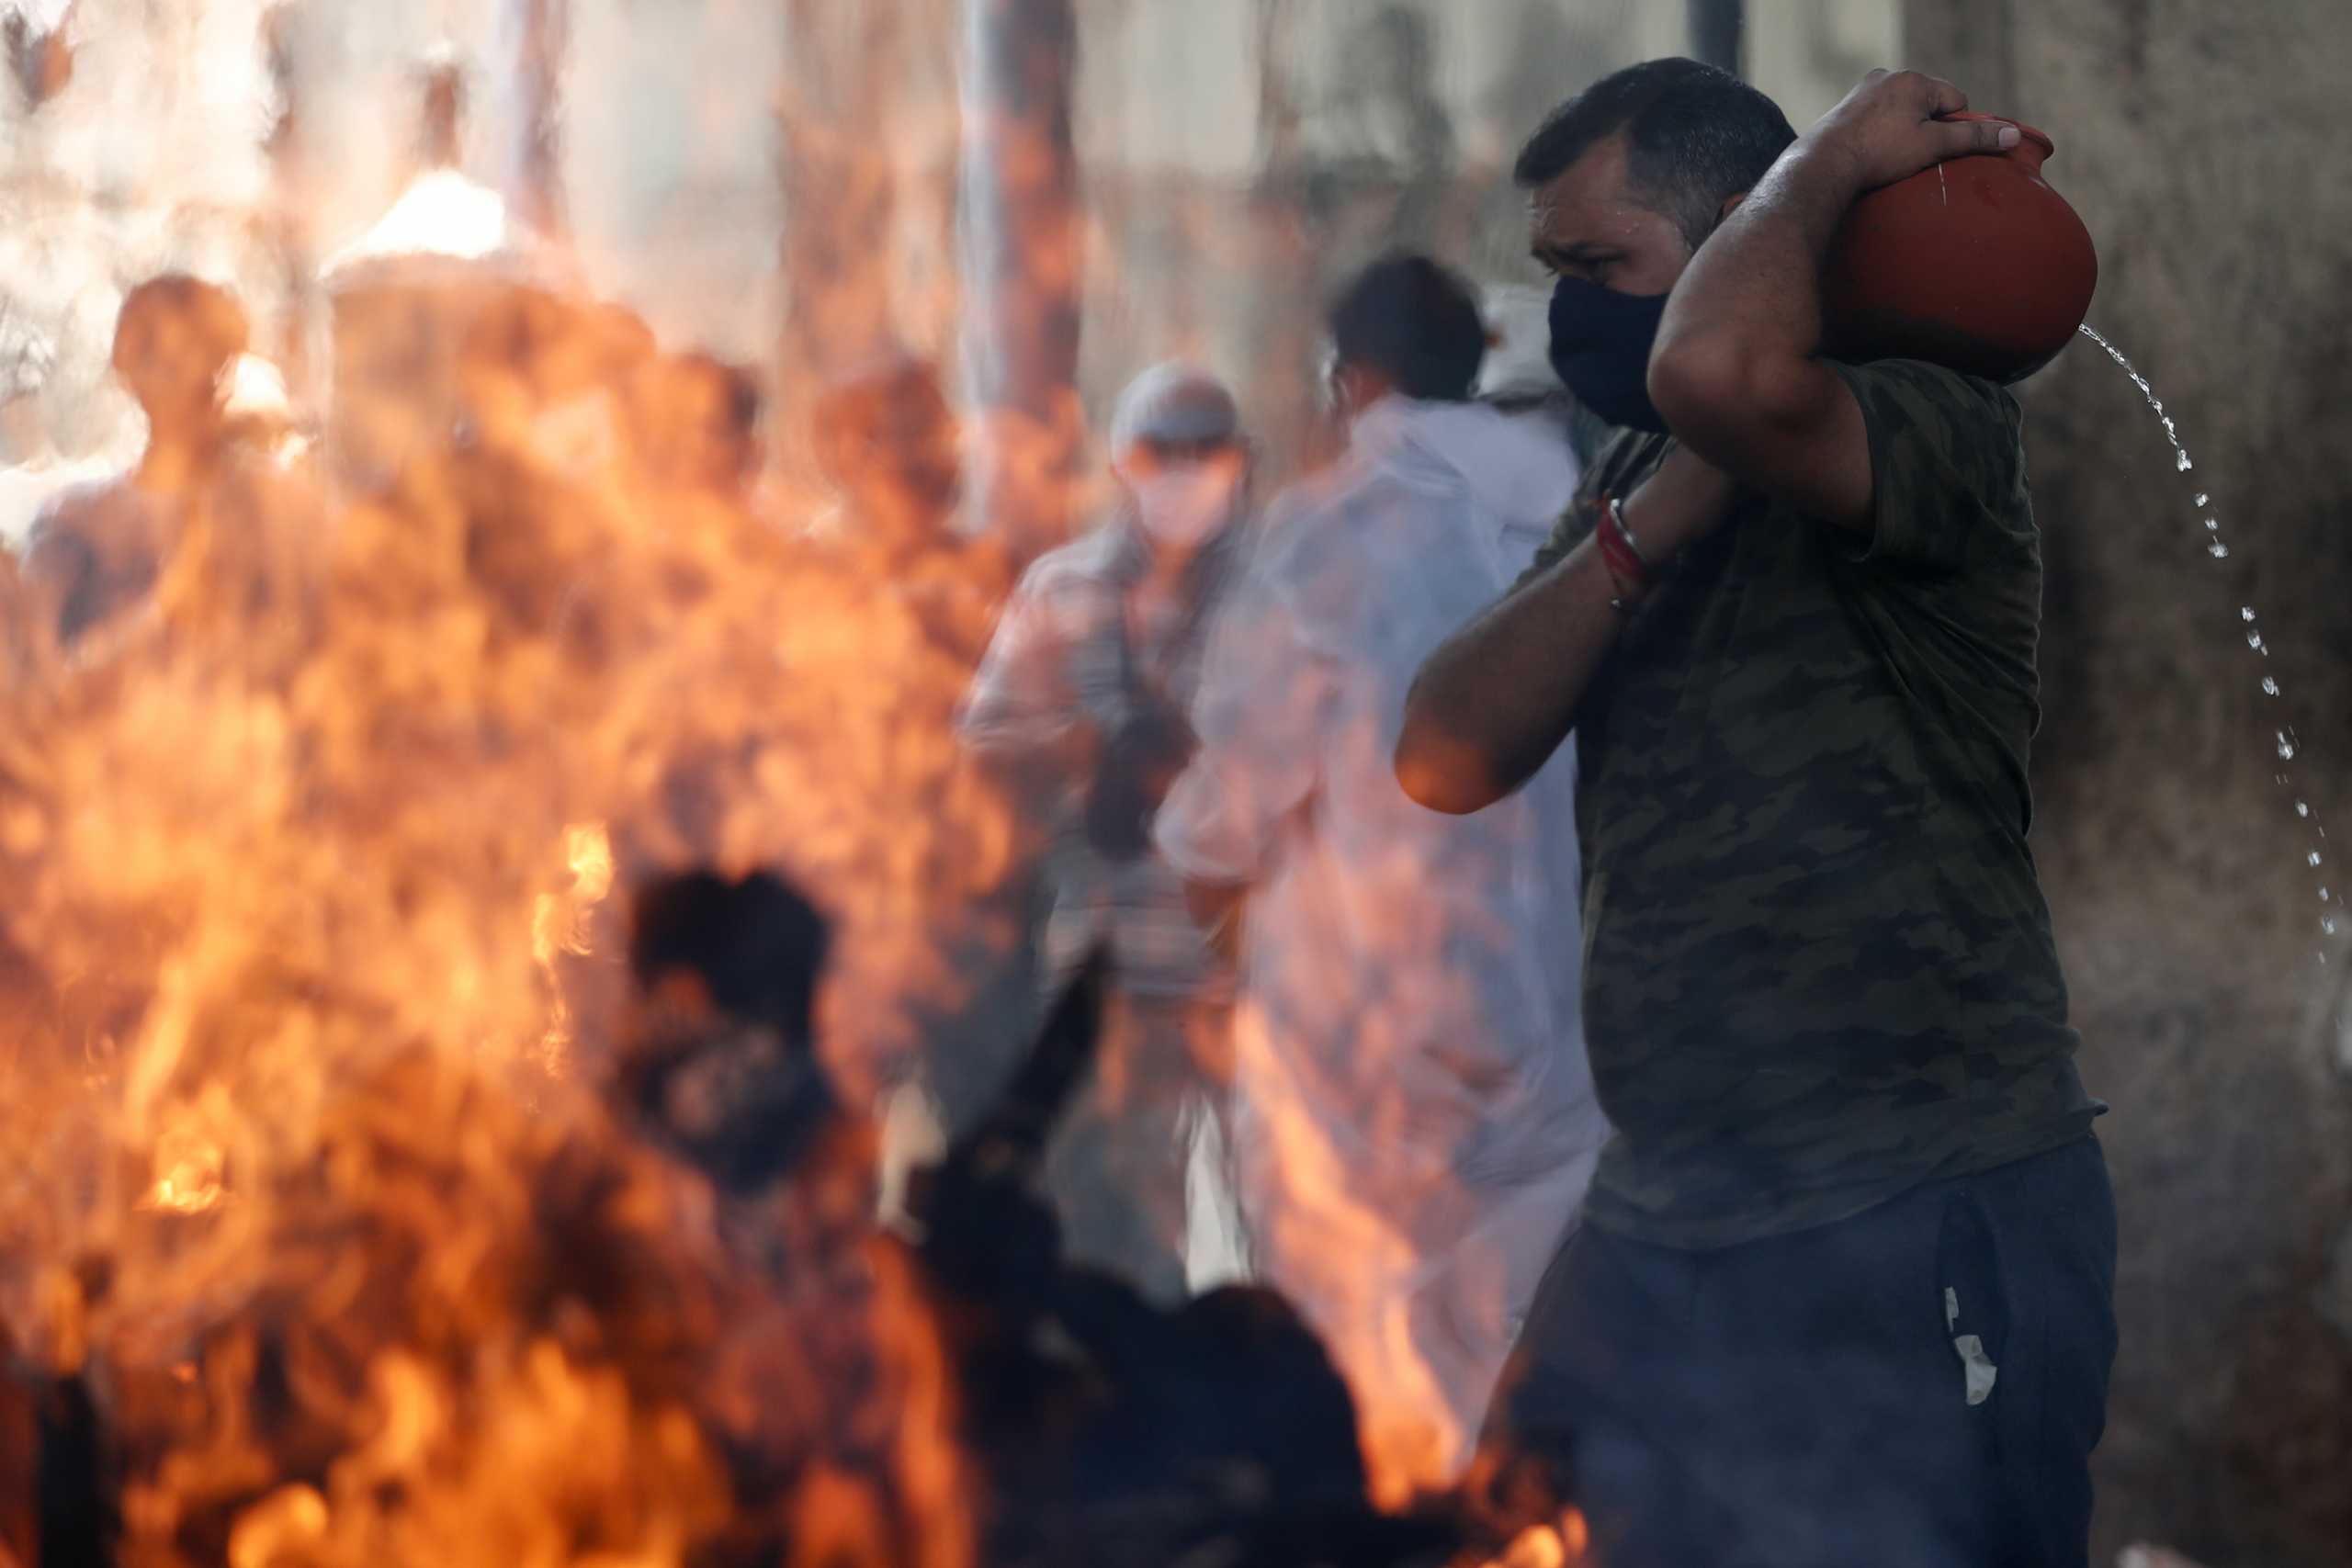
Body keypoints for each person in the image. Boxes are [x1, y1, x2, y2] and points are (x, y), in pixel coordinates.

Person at [1395, 61, 2115, 1568]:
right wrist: (1651, 520)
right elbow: (1445, 750)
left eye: (1598, 266)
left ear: (1741, 234)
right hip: (1667, 1217)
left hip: (1912, 1204)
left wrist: (1839, 155)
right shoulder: (1646, 469)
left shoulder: (1931, 427)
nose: (1566, 314)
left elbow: (1721, 373)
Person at [1154, 254, 1608, 1481]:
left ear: (1351, 380)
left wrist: (1201, 912)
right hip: (1549, 1041)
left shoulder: (1329, 530)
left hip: (1358, 1063)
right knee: (1497, 1411)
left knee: (1346, 1410)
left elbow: (1227, 812)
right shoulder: (1581, 522)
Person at [956, 364, 1251, 1304]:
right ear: (1122, 461)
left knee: (1274, 1229)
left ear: (1241, 462)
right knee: (1114, 1235)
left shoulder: (1281, 592)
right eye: (1164, 449)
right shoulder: (1062, 588)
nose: (1187, 469)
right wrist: (1082, 747)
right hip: (1106, 962)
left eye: (1208, 447)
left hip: (1252, 973)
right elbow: (980, 754)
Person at [21, 275, 249, 651]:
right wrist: (164, 606)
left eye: (210, 357)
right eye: (160, 360)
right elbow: (41, 668)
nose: (195, 380)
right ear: (127, 368)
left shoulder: (267, 506)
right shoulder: (76, 521)